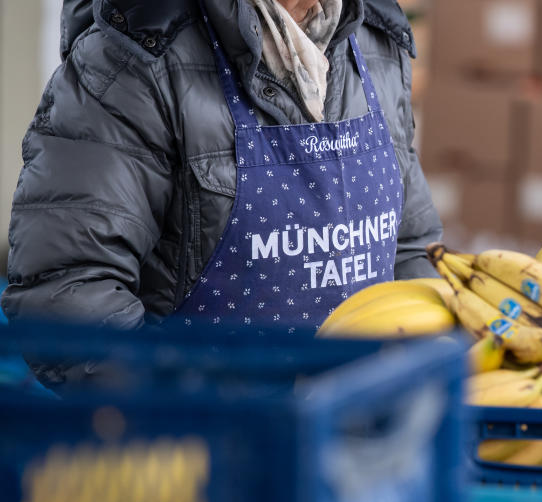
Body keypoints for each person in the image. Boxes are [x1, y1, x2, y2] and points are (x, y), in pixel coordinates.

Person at [2, 0, 442, 387]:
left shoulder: (375, 42)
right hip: (204, 452)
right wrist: (199, 411)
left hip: (369, 443)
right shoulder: (135, 57)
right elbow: (67, 290)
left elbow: (408, 250)